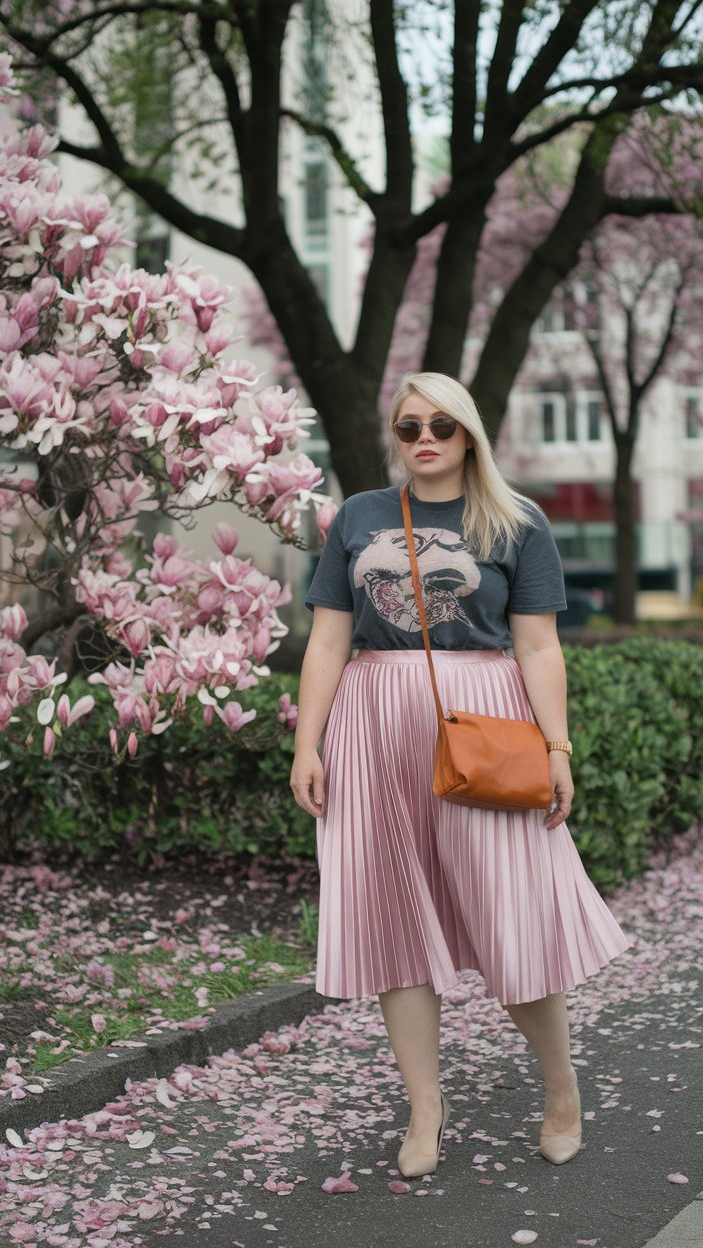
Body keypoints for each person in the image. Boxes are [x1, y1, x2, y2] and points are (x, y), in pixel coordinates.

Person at [290, 372, 631, 1179]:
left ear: (469, 431)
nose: (425, 439)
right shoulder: (360, 517)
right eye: (409, 428)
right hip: (373, 723)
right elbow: (330, 641)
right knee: (395, 922)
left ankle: (560, 1090)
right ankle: (425, 1108)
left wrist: (558, 750)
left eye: (441, 424)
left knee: (511, 918)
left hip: (484, 718)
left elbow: (540, 645)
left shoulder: (516, 521)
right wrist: (309, 744)